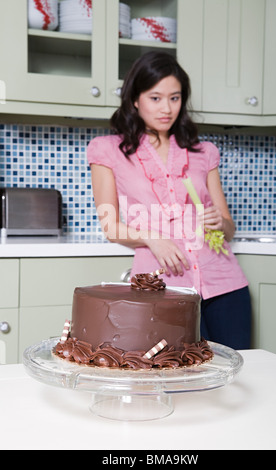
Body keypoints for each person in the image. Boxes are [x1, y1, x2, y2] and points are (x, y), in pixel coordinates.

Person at [87, 51, 251, 350]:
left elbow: (229, 228)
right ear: (135, 99)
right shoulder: (107, 151)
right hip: (163, 288)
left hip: (226, 285)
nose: (167, 108)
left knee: (236, 374)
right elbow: (111, 227)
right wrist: (152, 238)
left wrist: (221, 223)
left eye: (175, 98)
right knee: (172, 377)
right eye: (155, 98)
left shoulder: (204, 153)